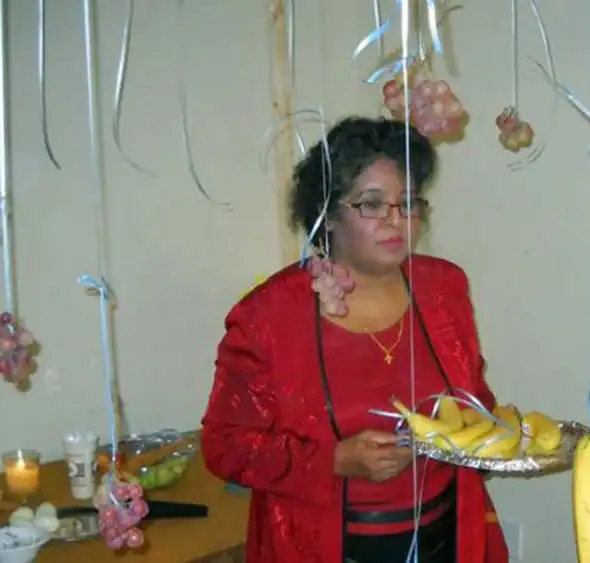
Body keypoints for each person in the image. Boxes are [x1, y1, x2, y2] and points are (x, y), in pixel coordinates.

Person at [201, 116, 509, 563]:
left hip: (447, 535)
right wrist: (334, 460)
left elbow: (473, 399)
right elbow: (225, 447)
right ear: (327, 215)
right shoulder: (268, 316)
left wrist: (493, 432)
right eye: (372, 204)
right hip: (326, 546)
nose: (396, 220)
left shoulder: (443, 287)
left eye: (407, 203)